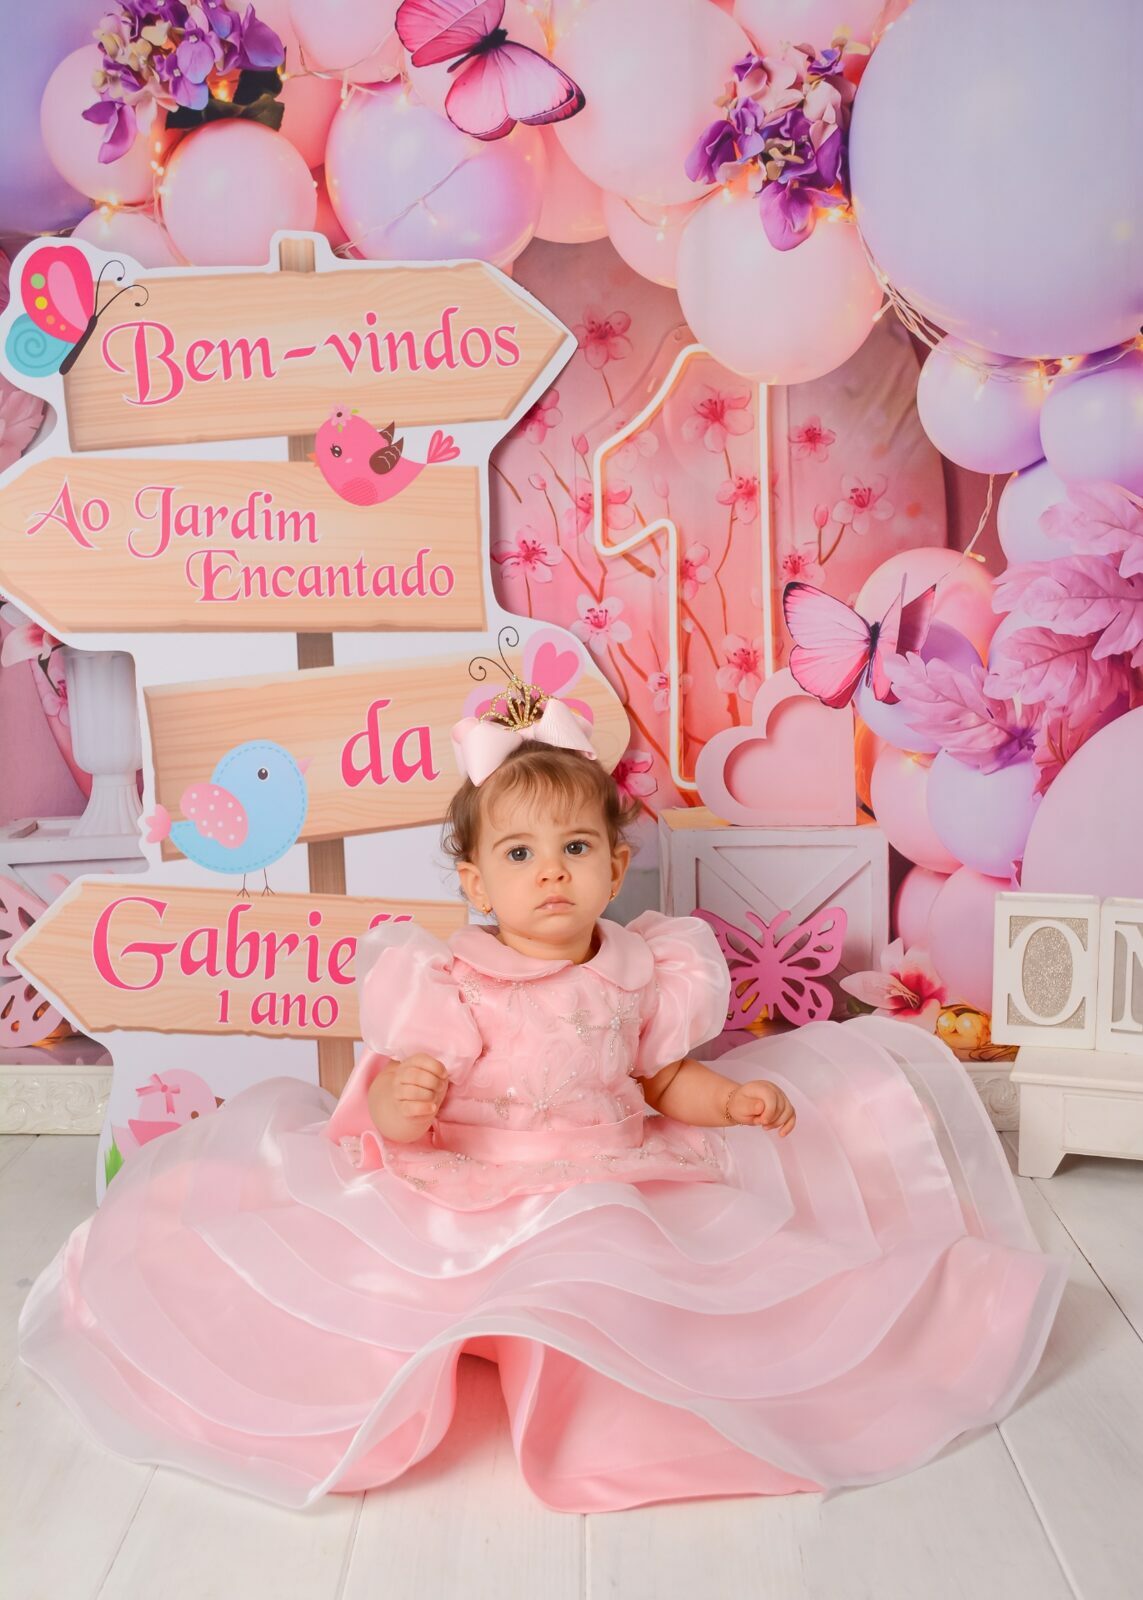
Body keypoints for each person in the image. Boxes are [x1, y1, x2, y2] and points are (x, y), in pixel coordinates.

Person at [18, 685, 1068, 1514]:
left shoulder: (642, 966)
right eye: (519, 855)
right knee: (446, 1283)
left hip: (610, 1165)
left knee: (655, 1277)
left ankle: (629, 1387)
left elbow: (660, 1080)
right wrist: (402, 1105)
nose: (550, 874)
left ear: (614, 866)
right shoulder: (452, 979)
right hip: (479, 1177)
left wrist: (729, 1103)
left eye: (574, 850)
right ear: (477, 883)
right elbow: (398, 1107)